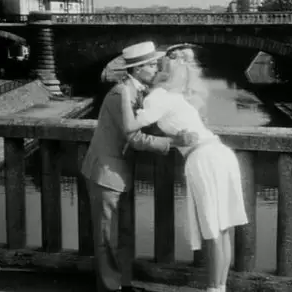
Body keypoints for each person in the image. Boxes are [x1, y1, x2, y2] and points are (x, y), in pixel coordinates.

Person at [121, 47, 249, 292]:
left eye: (158, 68)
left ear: (163, 75)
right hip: (220, 152)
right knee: (223, 229)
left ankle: (215, 288)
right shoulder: (178, 98)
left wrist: (124, 98)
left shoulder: (157, 97)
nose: (154, 71)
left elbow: (130, 125)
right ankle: (218, 287)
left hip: (203, 159)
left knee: (211, 229)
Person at [81, 41, 196, 292]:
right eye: (151, 65)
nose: (156, 68)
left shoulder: (136, 91)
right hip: (106, 173)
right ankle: (110, 287)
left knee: (123, 233)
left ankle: (123, 283)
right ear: (137, 69)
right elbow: (134, 137)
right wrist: (174, 142)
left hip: (118, 172)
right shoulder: (120, 94)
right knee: (107, 237)